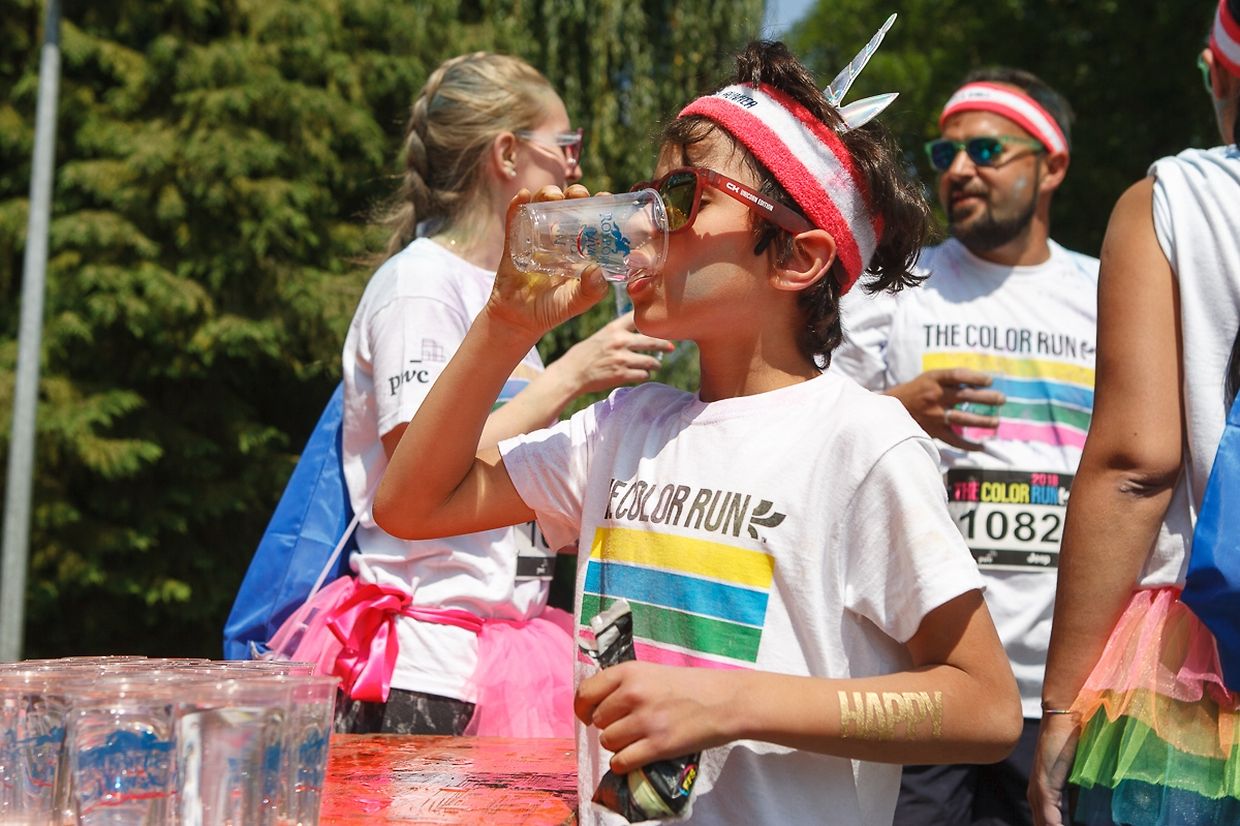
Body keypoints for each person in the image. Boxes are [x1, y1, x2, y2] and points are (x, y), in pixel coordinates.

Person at [374, 37, 1022, 826]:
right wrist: (505, 326)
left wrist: (735, 702)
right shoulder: (625, 423)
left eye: (682, 196)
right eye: (649, 192)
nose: (643, 220)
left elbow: (986, 709)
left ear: (797, 257)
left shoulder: (861, 442)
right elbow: (411, 506)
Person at [312, 52, 672, 736]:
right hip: (425, 662)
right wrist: (572, 373)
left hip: (499, 648)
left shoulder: (496, 290)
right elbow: (417, 470)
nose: (575, 169)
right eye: (566, 146)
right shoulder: (420, 285)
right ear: (507, 154)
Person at [831, 67, 1097, 825]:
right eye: (943, 155)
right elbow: (807, 440)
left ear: (1052, 165)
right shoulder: (892, 292)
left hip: (1064, 683)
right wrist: (892, 412)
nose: (960, 170)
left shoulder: (1108, 294)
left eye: (984, 149)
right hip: (926, 672)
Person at [1028, 2, 1240, 824]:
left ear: (1221, 72)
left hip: (1205, 666)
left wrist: (1060, 707)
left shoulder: (1173, 203)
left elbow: (1135, 465)